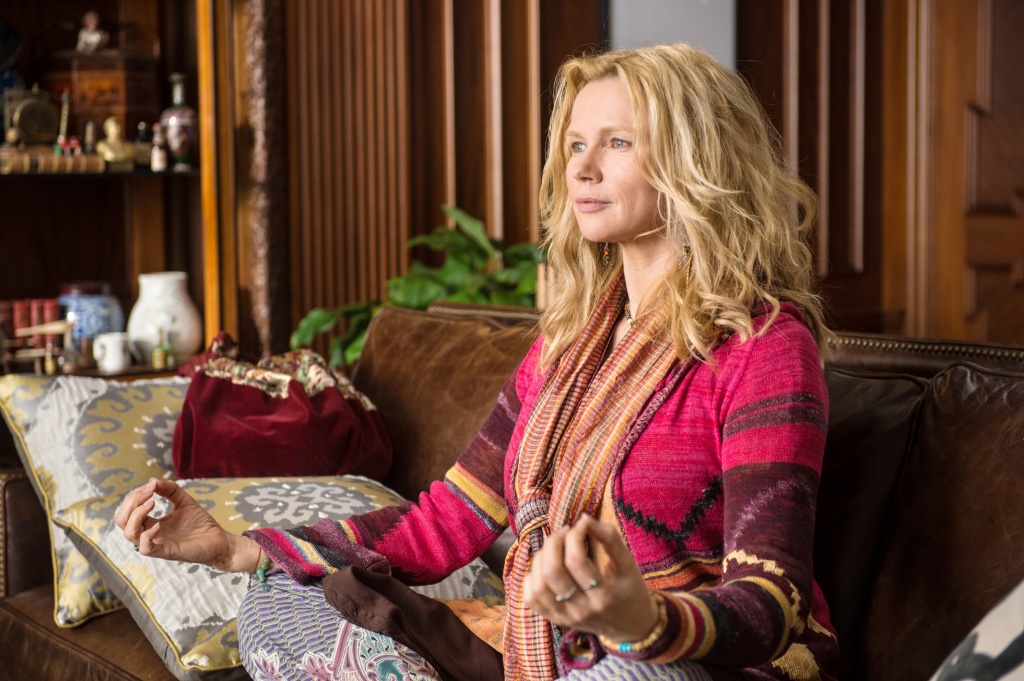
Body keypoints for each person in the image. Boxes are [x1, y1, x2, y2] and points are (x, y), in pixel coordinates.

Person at [116, 43, 839, 680]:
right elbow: (445, 521)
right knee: (279, 600)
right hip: (545, 653)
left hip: (690, 663)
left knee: (622, 670)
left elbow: (769, 602)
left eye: (617, 142)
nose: (582, 168)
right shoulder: (566, 346)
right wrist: (235, 549)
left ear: (695, 160)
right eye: (575, 144)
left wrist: (641, 619)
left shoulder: (766, 348)